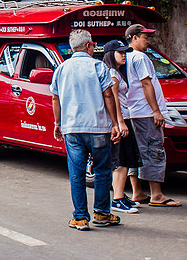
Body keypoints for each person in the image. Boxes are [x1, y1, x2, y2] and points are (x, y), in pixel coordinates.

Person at [51, 29, 125, 230]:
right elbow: (108, 95)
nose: (93, 47)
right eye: (92, 44)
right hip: (98, 128)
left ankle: (80, 218)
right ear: (87, 46)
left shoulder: (62, 68)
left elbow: (55, 98)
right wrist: (115, 123)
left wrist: (58, 123)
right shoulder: (97, 66)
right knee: (102, 171)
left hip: (72, 129)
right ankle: (101, 214)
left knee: (76, 174)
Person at [124, 24, 182, 207]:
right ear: (134, 38)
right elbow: (146, 84)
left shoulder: (125, 56)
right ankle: (156, 194)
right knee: (154, 150)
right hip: (145, 112)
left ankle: (137, 192)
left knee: (136, 152)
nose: (147, 41)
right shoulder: (140, 57)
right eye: (144, 37)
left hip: (132, 112)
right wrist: (156, 111)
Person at [102, 40, 142, 213]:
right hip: (121, 120)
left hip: (123, 118)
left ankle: (119, 195)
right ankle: (117, 199)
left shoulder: (116, 72)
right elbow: (114, 99)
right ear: (111, 55)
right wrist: (120, 122)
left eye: (125, 52)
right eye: (120, 53)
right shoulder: (112, 74)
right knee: (121, 161)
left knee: (124, 159)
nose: (124, 55)